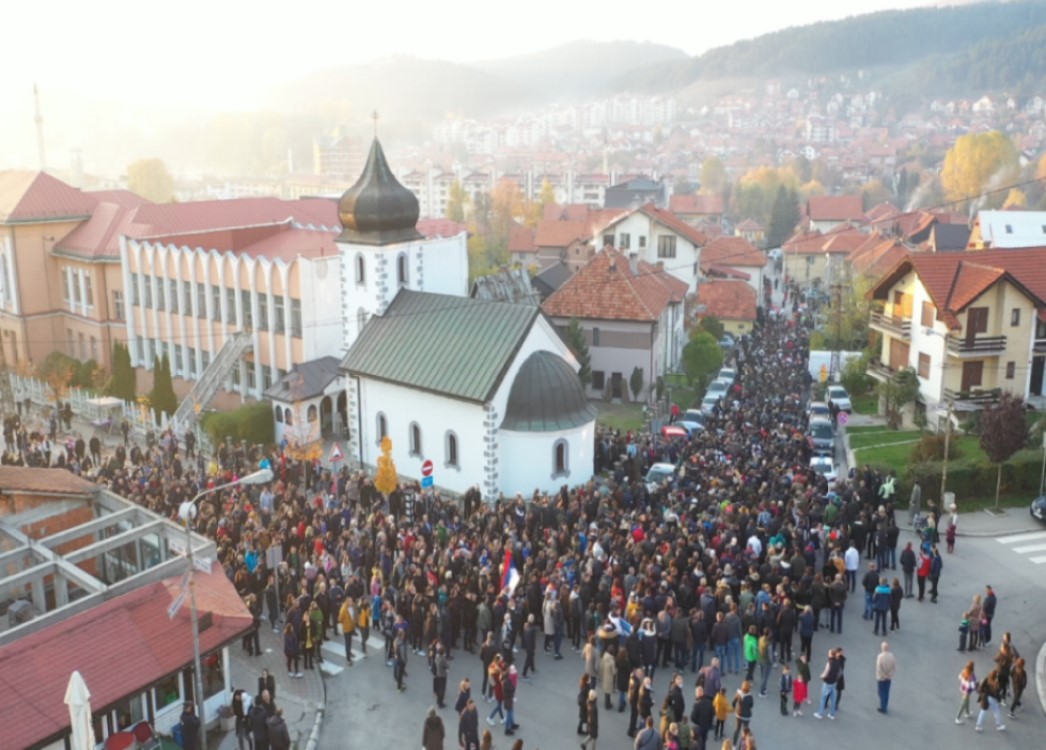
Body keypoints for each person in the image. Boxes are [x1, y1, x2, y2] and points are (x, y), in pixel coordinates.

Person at [975, 668, 1006, 732]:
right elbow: (997, 693)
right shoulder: (996, 683)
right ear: (996, 676)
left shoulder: (987, 679)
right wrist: (999, 700)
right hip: (992, 699)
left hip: (985, 697)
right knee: (996, 711)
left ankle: (978, 725)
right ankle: (998, 725)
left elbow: (981, 687)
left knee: (983, 711)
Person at [813, 648, 840, 720]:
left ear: (831, 654)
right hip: (834, 683)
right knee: (833, 699)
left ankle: (820, 713)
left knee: (823, 698)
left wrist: (821, 676)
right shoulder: (837, 662)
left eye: (829, 653)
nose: (828, 654)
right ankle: (832, 714)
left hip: (827, 683)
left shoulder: (829, 663)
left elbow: (825, 673)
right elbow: (839, 672)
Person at [691, 685, 714, 750]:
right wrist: (709, 722)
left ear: (698, 694)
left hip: (699, 726)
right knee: (704, 740)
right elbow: (712, 713)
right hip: (706, 725)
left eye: (696, 693)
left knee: (698, 741)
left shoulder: (697, 704)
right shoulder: (709, 702)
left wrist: (697, 722)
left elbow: (693, 717)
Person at [875, 641, 896, 714]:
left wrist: (883, 675)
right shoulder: (892, 656)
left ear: (882, 648)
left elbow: (879, 668)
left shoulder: (880, 656)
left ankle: (883, 707)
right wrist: (889, 675)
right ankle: (885, 705)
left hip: (881, 678)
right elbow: (894, 667)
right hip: (889, 678)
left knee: (881, 692)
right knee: (886, 692)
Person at [731, 680, 753, 746]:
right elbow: (751, 705)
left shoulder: (738, 694)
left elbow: (733, 703)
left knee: (737, 730)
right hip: (746, 716)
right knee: (745, 732)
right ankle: (741, 746)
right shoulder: (750, 697)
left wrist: (735, 707)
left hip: (739, 715)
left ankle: (733, 745)